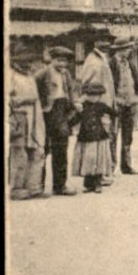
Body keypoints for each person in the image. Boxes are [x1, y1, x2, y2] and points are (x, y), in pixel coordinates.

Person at [35, 44, 80, 196]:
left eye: (65, 61)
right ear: (51, 59)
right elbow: (36, 95)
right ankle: (38, 186)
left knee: (61, 149)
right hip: (46, 113)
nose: (62, 64)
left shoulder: (66, 74)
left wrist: (75, 105)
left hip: (62, 112)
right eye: (59, 61)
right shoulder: (42, 74)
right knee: (43, 149)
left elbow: (71, 91)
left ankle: (60, 186)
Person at [8, 44, 47, 199]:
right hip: (19, 117)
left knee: (36, 150)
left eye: (30, 60)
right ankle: (17, 188)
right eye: (25, 60)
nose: (28, 63)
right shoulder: (11, 75)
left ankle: (34, 186)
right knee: (20, 153)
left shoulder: (30, 76)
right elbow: (8, 99)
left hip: (35, 117)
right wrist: (23, 100)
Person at [80, 28, 117, 179]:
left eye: (108, 40)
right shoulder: (93, 61)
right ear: (96, 42)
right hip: (98, 107)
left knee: (105, 141)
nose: (106, 43)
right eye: (102, 40)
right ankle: (97, 175)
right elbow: (87, 84)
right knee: (97, 143)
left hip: (105, 105)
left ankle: (102, 173)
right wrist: (94, 104)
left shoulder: (102, 58)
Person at [71, 78, 115, 193]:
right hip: (86, 137)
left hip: (99, 136)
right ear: (86, 95)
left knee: (98, 160)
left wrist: (112, 118)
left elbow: (113, 112)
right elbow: (75, 120)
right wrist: (75, 112)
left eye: (97, 95)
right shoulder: (83, 107)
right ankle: (88, 184)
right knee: (88, 159)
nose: (94, 98)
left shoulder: (101, 106)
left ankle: (97, 183)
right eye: (91, 95)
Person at [109, 35, 138, 174]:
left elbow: (136, 82)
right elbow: (109, 85)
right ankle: (110, 166)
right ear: (119, 50)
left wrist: (136, 97)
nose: (129, 51)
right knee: (113, 134)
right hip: (116, 104)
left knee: (128, 135)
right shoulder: (111, 64)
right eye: (127, 49)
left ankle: (126, 166)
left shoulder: (130, 64)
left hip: (130, 104)